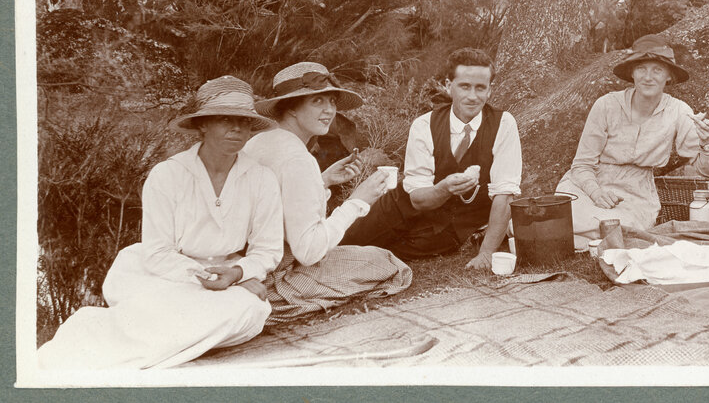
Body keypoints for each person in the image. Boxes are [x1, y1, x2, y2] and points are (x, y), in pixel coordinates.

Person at [38, 76, 284, 370]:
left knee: (249, 310)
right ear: (202, 125)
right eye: (225, 119)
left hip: (229, 276)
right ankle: (95, 342)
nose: (237, 128)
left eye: (244, 121)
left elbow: (267, 250)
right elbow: (158, 253)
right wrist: (212, 280)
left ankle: (166, 334)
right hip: (165, 274)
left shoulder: (261, 178)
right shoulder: (167, 175)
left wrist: (239, 273)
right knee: (166, 310)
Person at [244, 62, 412, 322]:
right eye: (318, 101)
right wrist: (357, 202)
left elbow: (278, 204)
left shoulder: (259, 141)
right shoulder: (298, 159)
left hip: (244, 267)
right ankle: (287, 304)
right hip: (274, 277)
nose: (329, 110)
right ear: (290, 107)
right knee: (388, 263)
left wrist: (323, 181)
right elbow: (309, 251)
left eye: (332, 101)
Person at [340, 48, 522, 270]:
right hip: (404, 205)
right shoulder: (424, 125)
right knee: (345, 243)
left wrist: (486, 254)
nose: (472, 96)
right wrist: (444, 188)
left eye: (480, 88)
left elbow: (505, 193)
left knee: (386, 255)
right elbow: (417, 198)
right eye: (465, 86)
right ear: (448, 86)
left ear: (490, 91)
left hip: (451, 227)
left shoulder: (504, 124)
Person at [558, 34, 709, 249]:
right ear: (632, 73)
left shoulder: (678, 111)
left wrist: (707, 143)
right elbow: (582, 165)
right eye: (641, 69)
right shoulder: (606, 105)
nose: (648, 77)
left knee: (626, 225)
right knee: (561, 212)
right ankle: (586, 237)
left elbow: (706, 170)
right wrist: (596, 193)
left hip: (636, 193)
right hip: (590, 182)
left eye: (657, 70)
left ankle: (573, 239)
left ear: (669, 77)